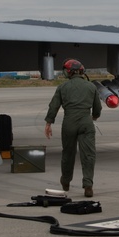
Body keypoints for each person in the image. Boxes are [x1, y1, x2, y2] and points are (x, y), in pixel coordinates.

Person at [44, 59, 102, 198]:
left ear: (69, 72)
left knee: (68, 154)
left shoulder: (62, 87)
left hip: (69, 122)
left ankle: (65, 182)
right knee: (88, 154)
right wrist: (93, 117)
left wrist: (48, 123)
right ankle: (88, 185)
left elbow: (54, 106)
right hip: (86, 122)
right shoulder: (91, 87)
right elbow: (98, 108)